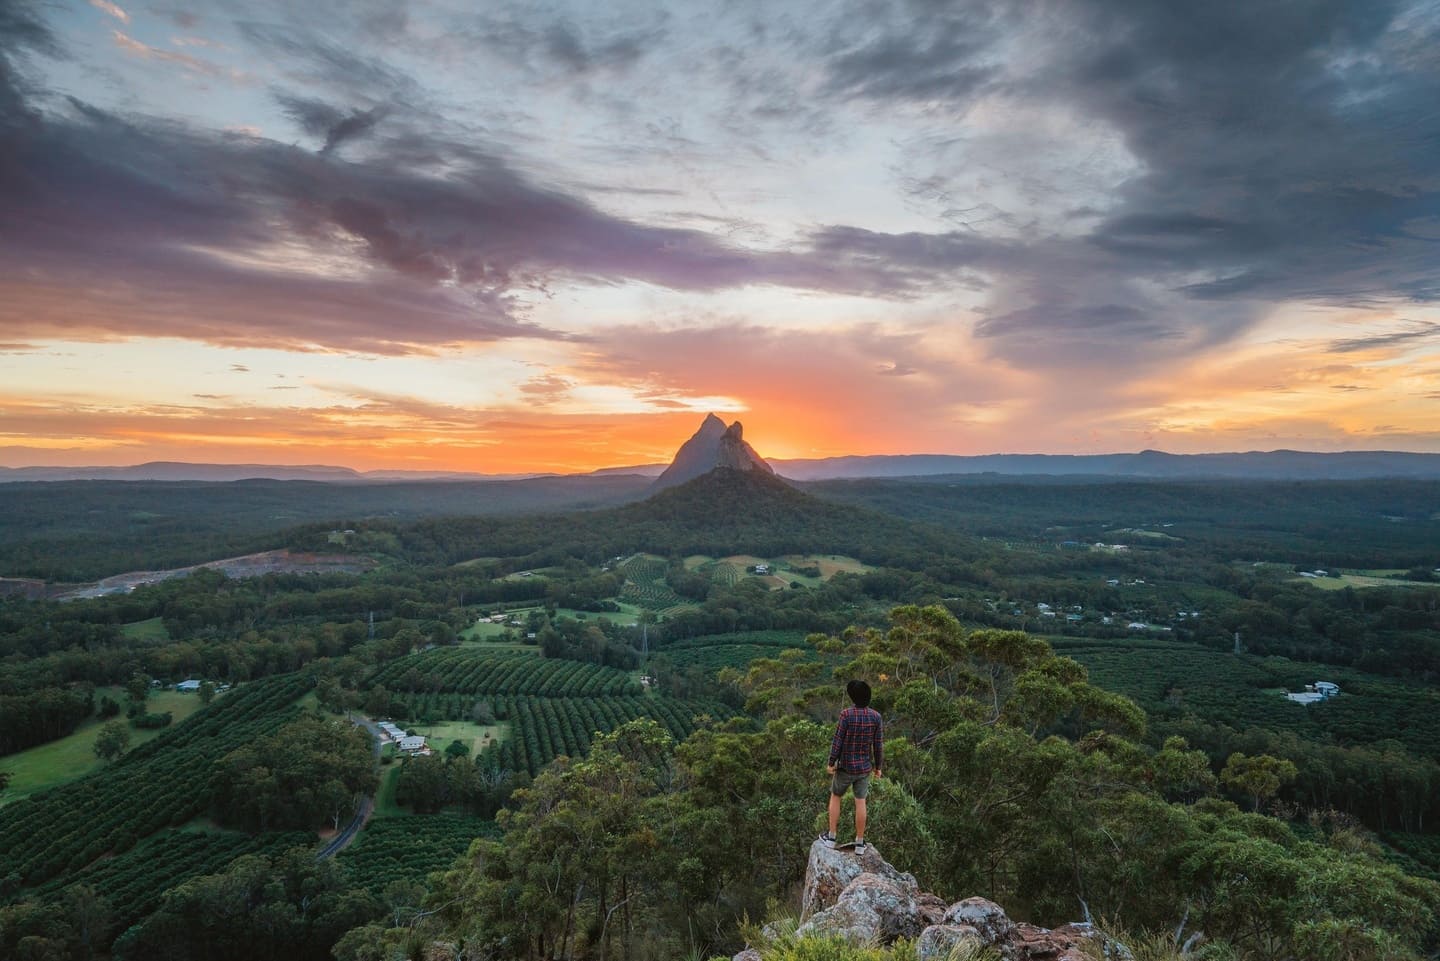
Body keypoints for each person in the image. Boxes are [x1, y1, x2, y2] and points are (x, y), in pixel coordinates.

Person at [819, 679, 883, 852]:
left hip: (846, 767)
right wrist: (878, 767)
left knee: (836, 796)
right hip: (864, 768)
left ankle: (831, 837)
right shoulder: (876, 717)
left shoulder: (846, 715)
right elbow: (878, 745)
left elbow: (838, 741)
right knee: (860, 802)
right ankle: (860, 843)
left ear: (853, 697)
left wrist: (831, 762)